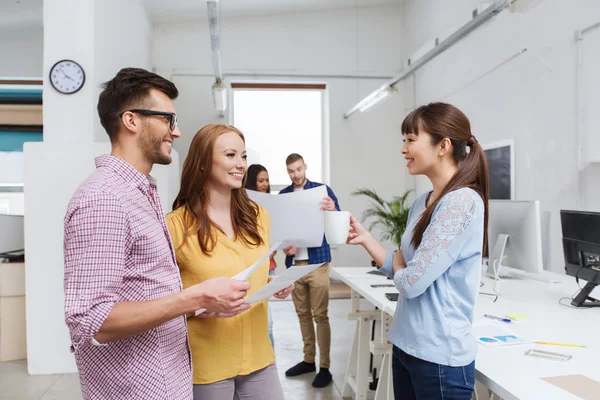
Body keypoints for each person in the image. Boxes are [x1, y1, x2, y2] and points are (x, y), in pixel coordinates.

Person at [63, 68, 251, 400]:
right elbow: (92, 320)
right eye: (167, 120)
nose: (175, 132)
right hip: (135, 389)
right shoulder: (105, 198)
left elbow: (145, 289)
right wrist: (196, 296)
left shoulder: (140, 192)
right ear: (131, 121)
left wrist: (199, 305)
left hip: (166, 380)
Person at [347, 102, 489, 400]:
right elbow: (402, 266)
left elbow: (411, 282)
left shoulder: (461, 203)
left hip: (439, 357)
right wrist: (366, 239)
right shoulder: (422, 201)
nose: (403, 149)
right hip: (406, 345)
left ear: (443, 146)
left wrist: (401, 267)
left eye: (411, 140)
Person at [166, 124, 293, 400]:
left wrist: (273, 284)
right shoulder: (175, 227)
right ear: (202, 163)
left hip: (259, 358)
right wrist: (199, 305)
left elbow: (248, 273)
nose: (240, 165)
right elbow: (162, 300)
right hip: (208, 363)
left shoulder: (258, 216)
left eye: (243, 156)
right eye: (231, 155)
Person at [279, 153, 340, 388]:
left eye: (298, 169)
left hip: (318, 262)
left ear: (305, 167)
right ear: (287, 172)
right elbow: (279, 229)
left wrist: (333, 209)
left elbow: (338, 222)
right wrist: (285, 245)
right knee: (302, 315)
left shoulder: (322, 191)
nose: (295, 174)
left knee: (320, 315)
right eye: (291, 171)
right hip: (295, 265)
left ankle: (324, 367)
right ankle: (308, 361)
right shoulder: (283, 196)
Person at [244, 164, 277, 347]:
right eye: (261, 180)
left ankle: (268, 359)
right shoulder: (244, 205)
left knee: (266, 317)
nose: (265, 184)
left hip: (269, 266)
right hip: (253, 267)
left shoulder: (270, 205)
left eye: (267, 180)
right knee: (265, 321)